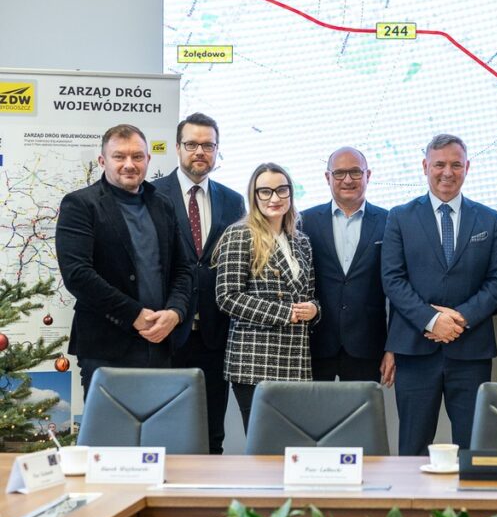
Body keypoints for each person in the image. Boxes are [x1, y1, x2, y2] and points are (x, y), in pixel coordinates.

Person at [381, 134, 497, 455]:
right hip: (415, 351)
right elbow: (393, 280)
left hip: (471, 352)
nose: (447, 172)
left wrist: (460, 319)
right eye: (439, 164)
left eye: (456, 165)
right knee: (412, 447)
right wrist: (432, 319)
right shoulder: (400, 217)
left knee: (473, 449)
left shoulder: (490, 220)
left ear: (468, 167)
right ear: (426, 166)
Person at [55, 124, 192, 398]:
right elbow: (78, 275)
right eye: (119, 157)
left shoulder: (162, 204)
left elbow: (183, 269)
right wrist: (134, 315)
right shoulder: (80, 205)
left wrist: (175, 312)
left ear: (148, 160)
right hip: (107, 350)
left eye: (137, 156)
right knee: (109, 440)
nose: (129, 164)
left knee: (158, 437)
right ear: (103, 161)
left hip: (160, 344)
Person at [152, 113, 245, 454]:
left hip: (215, 333)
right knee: (162, 428)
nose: (200, 152)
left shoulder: (233, 200)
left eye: (208, 145)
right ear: (177, 148)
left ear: (217, 150)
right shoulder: (152, 195)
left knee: (211, 433)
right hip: (164, 331)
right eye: (191, 144)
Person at [215, 162, 319, 432]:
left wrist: (315, 310)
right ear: (254, 196)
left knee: (291, 447)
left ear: (290, 194)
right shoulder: (239, 235)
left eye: (281, 190)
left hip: (296, 360)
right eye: (265, 191)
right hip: (255, 361)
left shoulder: (301, 240)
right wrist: (284, 313)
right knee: (263, 447)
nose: (274, 198)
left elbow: (309, 295)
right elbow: (227, 297)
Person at [301, 147, 392, 385]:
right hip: (314, 344)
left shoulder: (390, 221)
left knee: (362, 421)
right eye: (339, 173)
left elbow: (398, 288)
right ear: (327, 177)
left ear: (368, 175)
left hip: (368, 346)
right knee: (314, 421)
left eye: (355, 172)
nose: (348, 180)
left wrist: (393, 347)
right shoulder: (303, 222)